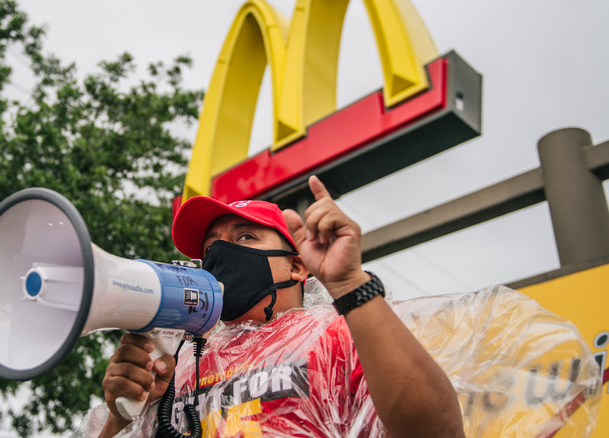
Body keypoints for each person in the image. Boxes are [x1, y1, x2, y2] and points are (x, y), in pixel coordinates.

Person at [97, 175, 465, 437]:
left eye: (245, 236)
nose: (222, 256)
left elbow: (440, 430)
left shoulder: (341, 332)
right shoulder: (176, 367)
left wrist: (350, 284)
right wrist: (121, 418)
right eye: (211, 249)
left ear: (296, 265)